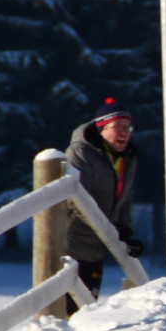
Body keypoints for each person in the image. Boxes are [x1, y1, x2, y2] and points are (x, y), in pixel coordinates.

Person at [64, 97, 144, 310]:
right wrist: (114, 229)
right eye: (118, 127)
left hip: (97, 248)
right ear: (101, 129)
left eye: (128, 127)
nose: (125, 133)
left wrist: (126, 232)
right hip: (70, 245)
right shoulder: (80, 153)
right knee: (64, 315)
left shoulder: (127, 158)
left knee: (86, 311)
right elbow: (78, 201)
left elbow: (125, 200)